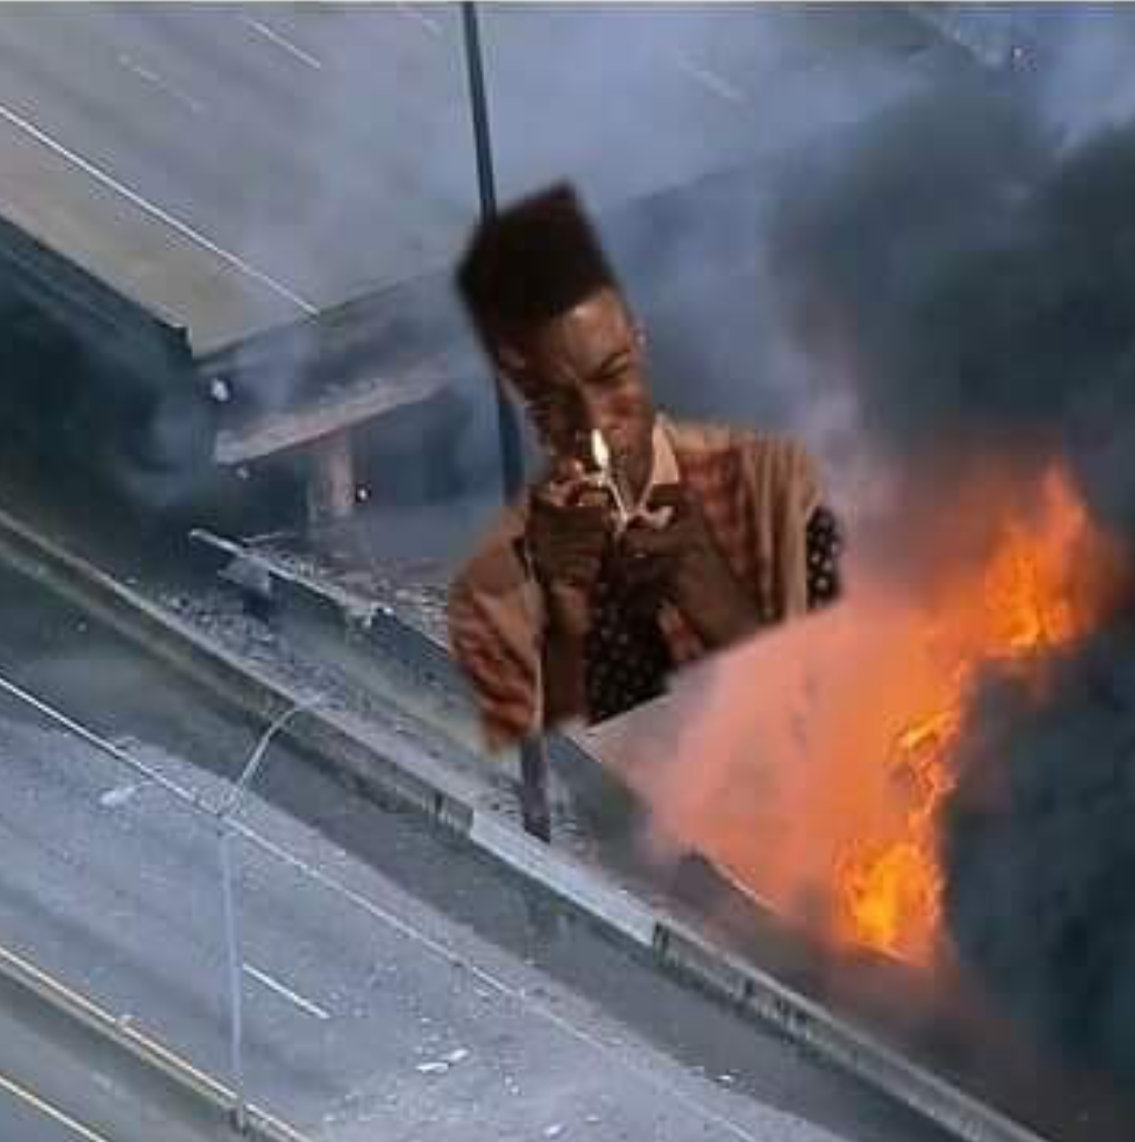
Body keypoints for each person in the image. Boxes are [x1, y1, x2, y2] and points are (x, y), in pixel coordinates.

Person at [448, 184, 842, 751]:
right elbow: (557, 757)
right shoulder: (504, 577)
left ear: (638, 345)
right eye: (557, 398)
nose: (595, 421)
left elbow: (831, 703)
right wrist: (565, 612)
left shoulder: (773, 488)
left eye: (611, 376)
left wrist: (718, 603)